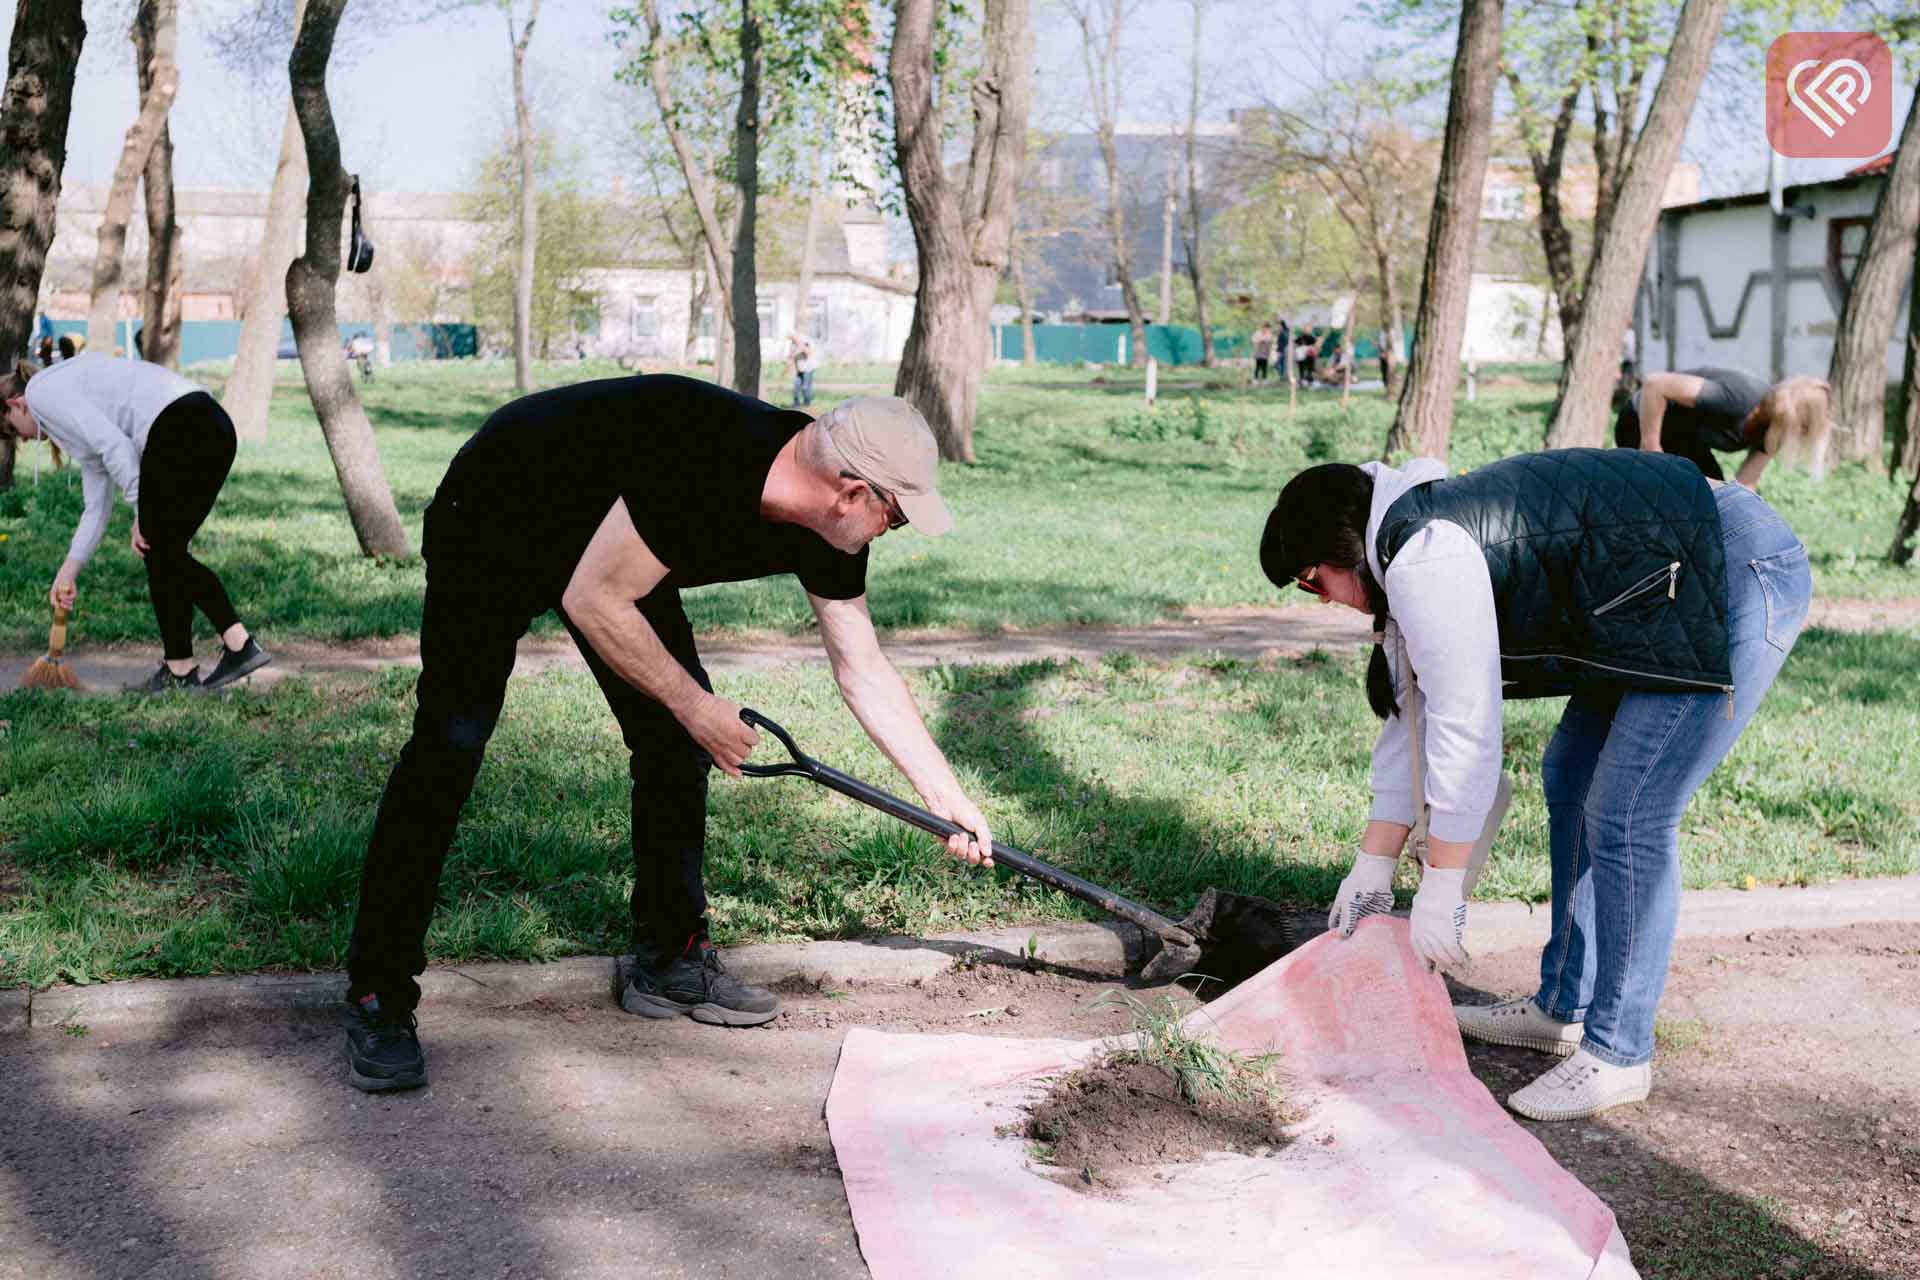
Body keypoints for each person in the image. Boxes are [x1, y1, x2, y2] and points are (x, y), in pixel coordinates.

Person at [340, 376, 995, 1093]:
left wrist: (945, 795)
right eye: (894, 518)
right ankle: (379, 994)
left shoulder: (830, 529)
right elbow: (593, 599)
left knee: (675, 745)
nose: (888, 534)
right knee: (450, 744)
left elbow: (861, 665)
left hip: (619, 546)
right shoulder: (705, 465)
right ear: (850, 489)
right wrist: (694, 704)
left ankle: (670, 955)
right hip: (502, 511)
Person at [1260, 446, 1809, 1121]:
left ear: (1337, 553)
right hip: (1653, 576)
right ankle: (1564, 1007)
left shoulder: (1424, 557)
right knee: (1571, 773)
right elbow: (1411, 725)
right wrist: (1372, 867)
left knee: (1629, 810)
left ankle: (1619, 1051)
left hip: (1726, 564)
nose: (1324, 603)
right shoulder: (1407, 542)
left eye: (1311, 584)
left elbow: (1465, 727)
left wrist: (1440, 885)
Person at [0, 354, 271, 693]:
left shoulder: (43, 393)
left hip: (182, 425)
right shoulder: (68, 406)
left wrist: (141, 509)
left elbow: (115, 445)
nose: (21, 440)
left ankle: (237, 645)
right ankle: (182, 669)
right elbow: (96, 506)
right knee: (163, 553)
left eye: (11, 429)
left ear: (16, 403)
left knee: (160, 550)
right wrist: (69, 569)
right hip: (211, 427)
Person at [1615, 367, 1830, 489]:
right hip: (1639, 422)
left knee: (1716, 493)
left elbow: (1745, 484)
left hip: (1684, 438)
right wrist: (1651, 447)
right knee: (1684, 494)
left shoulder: (1773, 432)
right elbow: (1656, 385)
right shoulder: (1740, 398)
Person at [787, 331, 818, 407]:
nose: (792, 340)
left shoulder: (806, 342)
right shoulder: (793, 344)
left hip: (808, 369)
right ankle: (796, 403)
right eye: (791, 339)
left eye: (793, 338)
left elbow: (808, 354)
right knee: (796, 387)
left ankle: (807, 403)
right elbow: (791, 357)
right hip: (799, 369)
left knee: (805, 387)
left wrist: (800, 346)